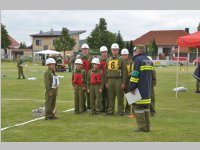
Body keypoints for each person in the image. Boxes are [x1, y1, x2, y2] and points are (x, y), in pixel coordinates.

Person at [129, 45, 153, 132]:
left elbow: (135, 75)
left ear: (138, 51)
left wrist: (131, 86)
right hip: (147, 89)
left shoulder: (138, 60)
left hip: (139, 88)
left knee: (138, 108)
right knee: (146, 108)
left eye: (135, 51)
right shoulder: (149, 61)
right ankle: (147, 127)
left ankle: (141, 127)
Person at [106, 43, 127, 116]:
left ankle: (120, 111)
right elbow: (107, 71)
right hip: (110, 79)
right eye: (113, 50)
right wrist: (107, 82)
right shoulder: (108, 59)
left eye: (116, 50)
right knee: (110, 96)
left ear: (118, 50)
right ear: (111, 50)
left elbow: (125, 72)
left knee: (120, 96)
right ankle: (110, 110)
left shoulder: (121, 59)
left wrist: (123, 83)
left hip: (118, 79)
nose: (114, 51)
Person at [121, 48, 136, 118]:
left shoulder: (131, 62)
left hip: (129, 81)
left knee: (129, 97)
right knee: (120, 97)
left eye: (125, 55)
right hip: (121, 81)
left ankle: (127, 110)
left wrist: (130, 74)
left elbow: (135, 71)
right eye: (123, 55)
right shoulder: (120, 62)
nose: (124, 56)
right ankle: (121, 110)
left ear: (127, 55)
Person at [80, 43, 92, 111]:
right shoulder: (79, 58)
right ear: (82, 50)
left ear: (88, 50)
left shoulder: (91, 58)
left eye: (86, 49)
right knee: (82, 92)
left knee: (89, 92)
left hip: (89, 77)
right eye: (84, 49)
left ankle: (89, 106)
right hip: (81, 77)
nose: (85, 50)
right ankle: (82, 106)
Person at [98, 46, 109, 112]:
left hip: (107, 80)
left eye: (105, 52)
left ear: (107, 52)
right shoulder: (98, 61)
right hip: (101, 80)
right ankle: (102, 108)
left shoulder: (110, 60)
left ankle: (107, 108)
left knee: (108, 96)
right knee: (101, 95)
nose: (104, 54)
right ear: (101, 53)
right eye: (102, 52)